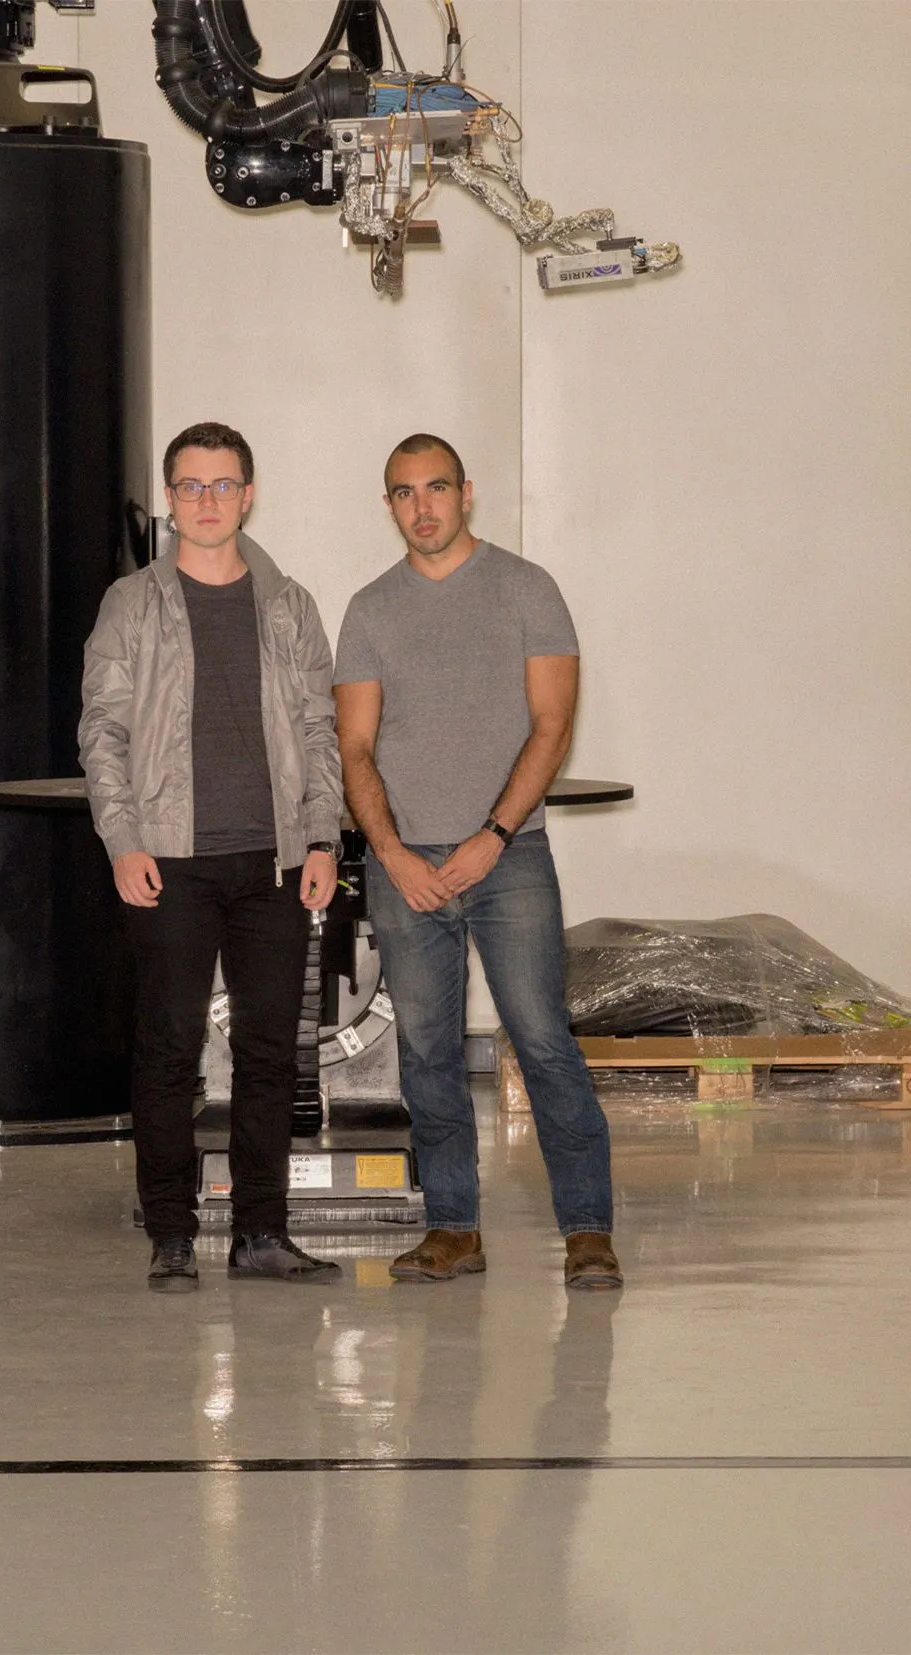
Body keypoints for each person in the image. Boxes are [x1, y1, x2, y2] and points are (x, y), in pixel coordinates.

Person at [333, 433, 622, 1291]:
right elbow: (353, 746)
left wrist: (490, 836)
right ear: (388, 506)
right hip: (404, 867)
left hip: (510, 858)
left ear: (467, 493)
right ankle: (452, 1228)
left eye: (436, 488)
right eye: (403, 493)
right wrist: (391, 854)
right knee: (425, 1050)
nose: (421, 506)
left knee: (541, 1039)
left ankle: (588, 1232)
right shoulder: (369, 610)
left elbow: (551, 727)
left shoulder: (528, 590)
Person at [79, 421, 346, 1291]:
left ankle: (260, 1234)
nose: (206, 501)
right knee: (167, 1051)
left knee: (271, 1053)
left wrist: (320, 837)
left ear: (250, 492)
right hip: (170, 863)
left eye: (222, 485)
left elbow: (318, 731)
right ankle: (170, 1235)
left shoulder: (289, 605)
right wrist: (123, 841)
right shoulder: (132, 605)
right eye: (189, 486)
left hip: (272, 864)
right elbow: (103, 734)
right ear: (169, 498)